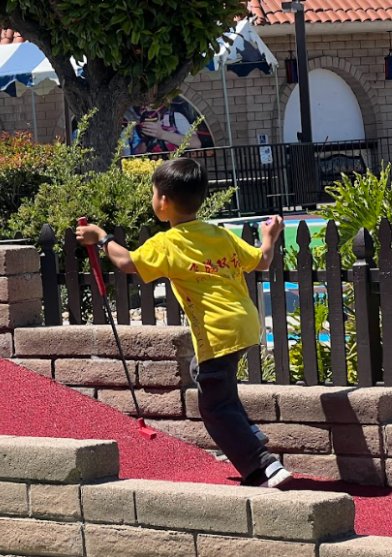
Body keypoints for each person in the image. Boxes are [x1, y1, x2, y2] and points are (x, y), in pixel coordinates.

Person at [77, 158, 291, 488]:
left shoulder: (168, 243)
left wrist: (101, 237)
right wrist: (269, 236)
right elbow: (262, 260)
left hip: (217, 331)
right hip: (244, 322)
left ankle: (263, 466)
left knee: (213, 406)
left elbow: (127, 261)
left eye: (153, 193)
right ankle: (248, 432)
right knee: (208, 376)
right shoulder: (218, 234)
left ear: (163, 202)